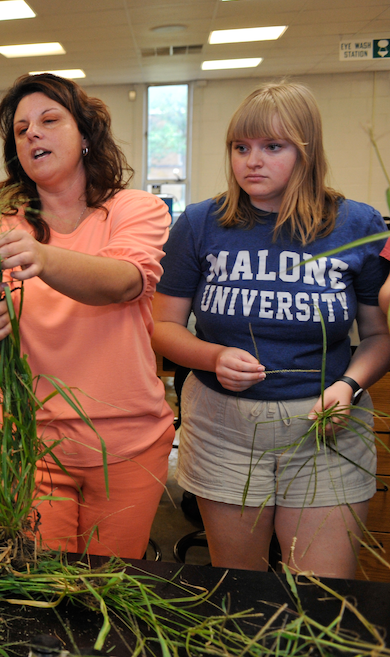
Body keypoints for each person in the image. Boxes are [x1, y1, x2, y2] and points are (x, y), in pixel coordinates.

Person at [152, 81, 390, 578]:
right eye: (241, 148)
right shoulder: (199, 223)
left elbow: (378, 337)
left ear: (307, 152)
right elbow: (163, 328)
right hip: (224, 426)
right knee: (240, 590)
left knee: (321, 596)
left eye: (271, 147)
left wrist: (349, 385)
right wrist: (212, 357)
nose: (251, 161)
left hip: (326, 426)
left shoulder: (357, 224)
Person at [0, 73, 175, 559]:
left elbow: (122, 280)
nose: (33, 132)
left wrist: (43, 258)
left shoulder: (134, 209)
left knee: (110, 594)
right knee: (42, 596)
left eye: (50, 120)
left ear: (86, 134)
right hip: (33, 446)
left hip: (127, 446)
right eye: (21, 129)